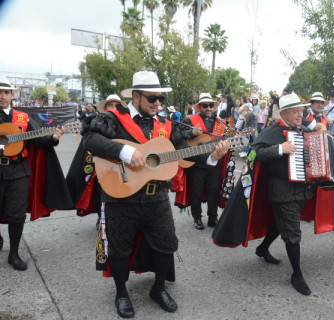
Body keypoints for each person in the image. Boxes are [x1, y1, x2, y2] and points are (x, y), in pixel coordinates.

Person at [82, 71, 229, 318]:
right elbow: (90, 140)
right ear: (136, 96)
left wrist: (211, 157)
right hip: (121, 196)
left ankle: (158, 288)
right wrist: (125, 152)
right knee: (119, 248)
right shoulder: (114, 117)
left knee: (166, 245)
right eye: (152, 98)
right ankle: (121, 293)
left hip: (157, 197)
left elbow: (182, 151)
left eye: (160, 98)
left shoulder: (166, 124)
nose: (157, 103)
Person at [213, 92, 334, 296]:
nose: (301, 114)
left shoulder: (300, 129)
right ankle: (296, 275)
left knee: (279, 224)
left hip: (300, 189)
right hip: (281, 190)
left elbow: (312, 139)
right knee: (293, 232)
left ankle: (262, 249)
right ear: (285, 113)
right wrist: (280, 148)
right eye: (296, 111)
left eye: (302, 110)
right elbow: (253, 154)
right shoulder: (273, 130)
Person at [0, 75, 67, 271]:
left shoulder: (22, 118)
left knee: (16, 213)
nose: (2, 96)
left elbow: (38, 140)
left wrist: (53, 138)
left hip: (18, 170)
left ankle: (14, 253)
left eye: (6, 92)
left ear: (12, 95)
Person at [66, 94, 128, 227]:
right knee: (99, 194)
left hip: (121, 166)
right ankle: (102, 218)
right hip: (99, 166)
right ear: (105, 108)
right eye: (109, 105)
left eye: (116, 105)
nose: (112, 108)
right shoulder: (95, 122)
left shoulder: (127, 124)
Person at [179, 92, 231, 230]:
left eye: (210, 105)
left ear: (214, 107)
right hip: (196, 163)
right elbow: (178, 136)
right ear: (199, 107)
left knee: (214, 191)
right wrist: (192, 133)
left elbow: (225, 140)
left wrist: (230, 140)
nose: (208, 108)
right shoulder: (190, 120)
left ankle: (213, 218)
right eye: (205, 105)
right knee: (196, 191)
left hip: (214, 163)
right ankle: (197, 218)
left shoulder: (221, 123)